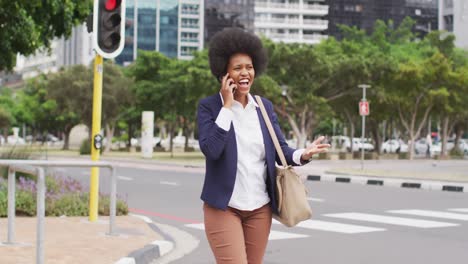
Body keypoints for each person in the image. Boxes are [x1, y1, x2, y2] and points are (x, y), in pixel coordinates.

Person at [196, 28, 331, 264]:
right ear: (224, 74)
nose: (245, 73)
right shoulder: (209, 107)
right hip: (224, 208)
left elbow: (281, 150)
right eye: (237, 68)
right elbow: (211, 149)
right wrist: (227, 106)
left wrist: (304, 154)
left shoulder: (263, 107)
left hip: (260, 208)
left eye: (249, 67)